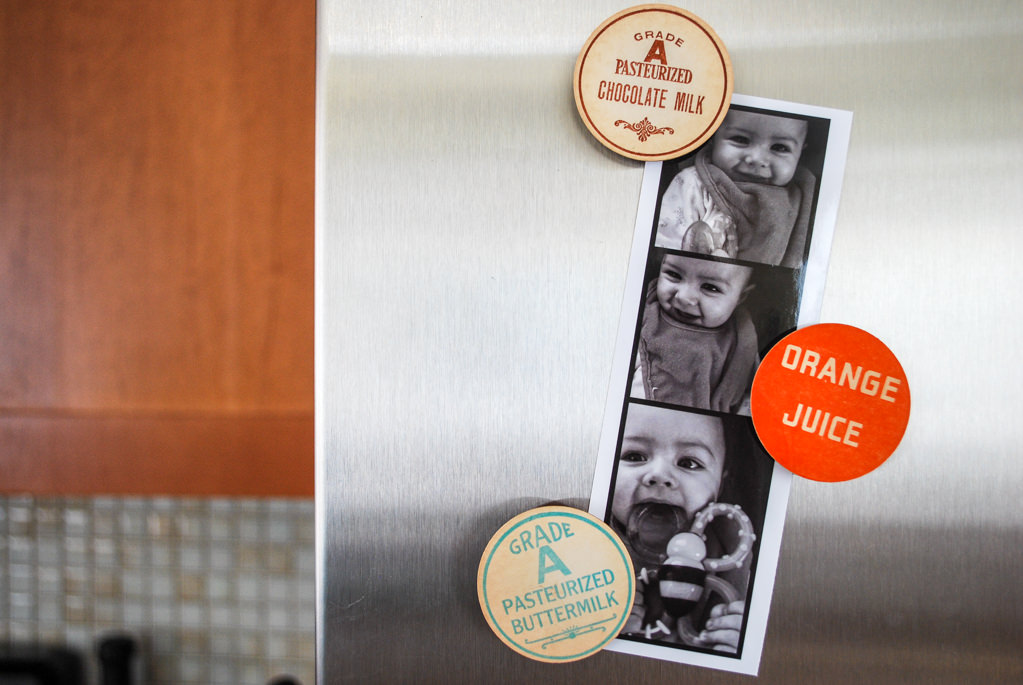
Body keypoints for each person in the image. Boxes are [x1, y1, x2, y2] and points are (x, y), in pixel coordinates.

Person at [611, 404, 746, 652]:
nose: (660, 474)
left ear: (719, 486)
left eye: (689, 463)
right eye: (634, 456)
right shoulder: (588, 544)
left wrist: (733, 640)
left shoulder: (734, 561)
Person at [655, 110, 815, 268]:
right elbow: (665, 242)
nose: (756, 159)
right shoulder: (694, 183)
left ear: (801, 152)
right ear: (713, 137)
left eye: (779, 148)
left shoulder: (802, 199)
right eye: (741, 139)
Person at [631, 253, 758, 414]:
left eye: (710, 288)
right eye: (674, 275)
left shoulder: (740, 336)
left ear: (740, 297)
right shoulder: (648, 307)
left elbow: (751, 393)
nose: (684, 297)